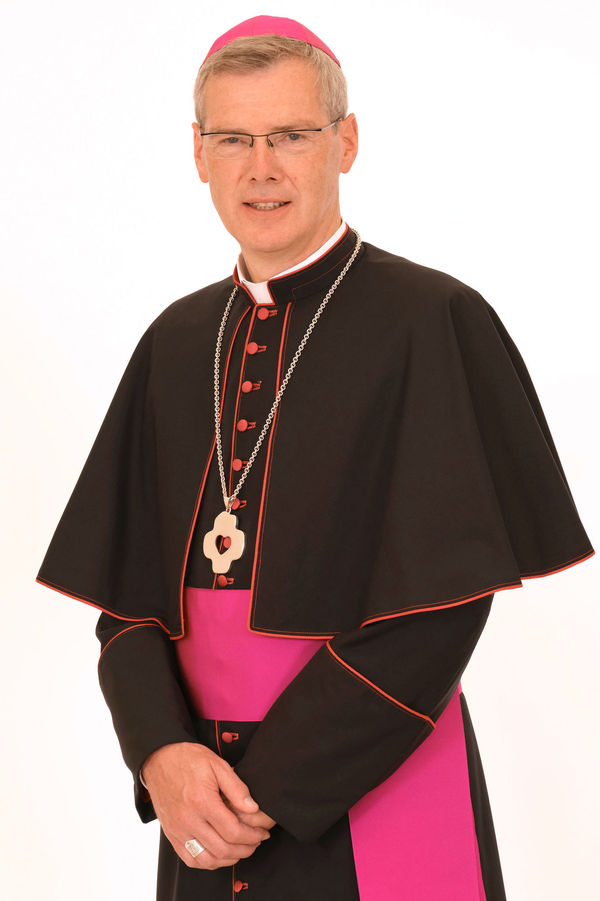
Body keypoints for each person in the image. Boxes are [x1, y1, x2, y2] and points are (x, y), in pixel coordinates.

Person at [36, 14, 595, 901]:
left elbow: (440, 612)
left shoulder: (431, 322)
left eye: (291, 135)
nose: (261, 167)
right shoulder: (175, 342)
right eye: (234, 139)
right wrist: (162, 754)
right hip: (199, 801)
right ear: (199, 154)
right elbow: (127, 603)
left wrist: (264, 790)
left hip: (374, 776)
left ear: (346, 142)